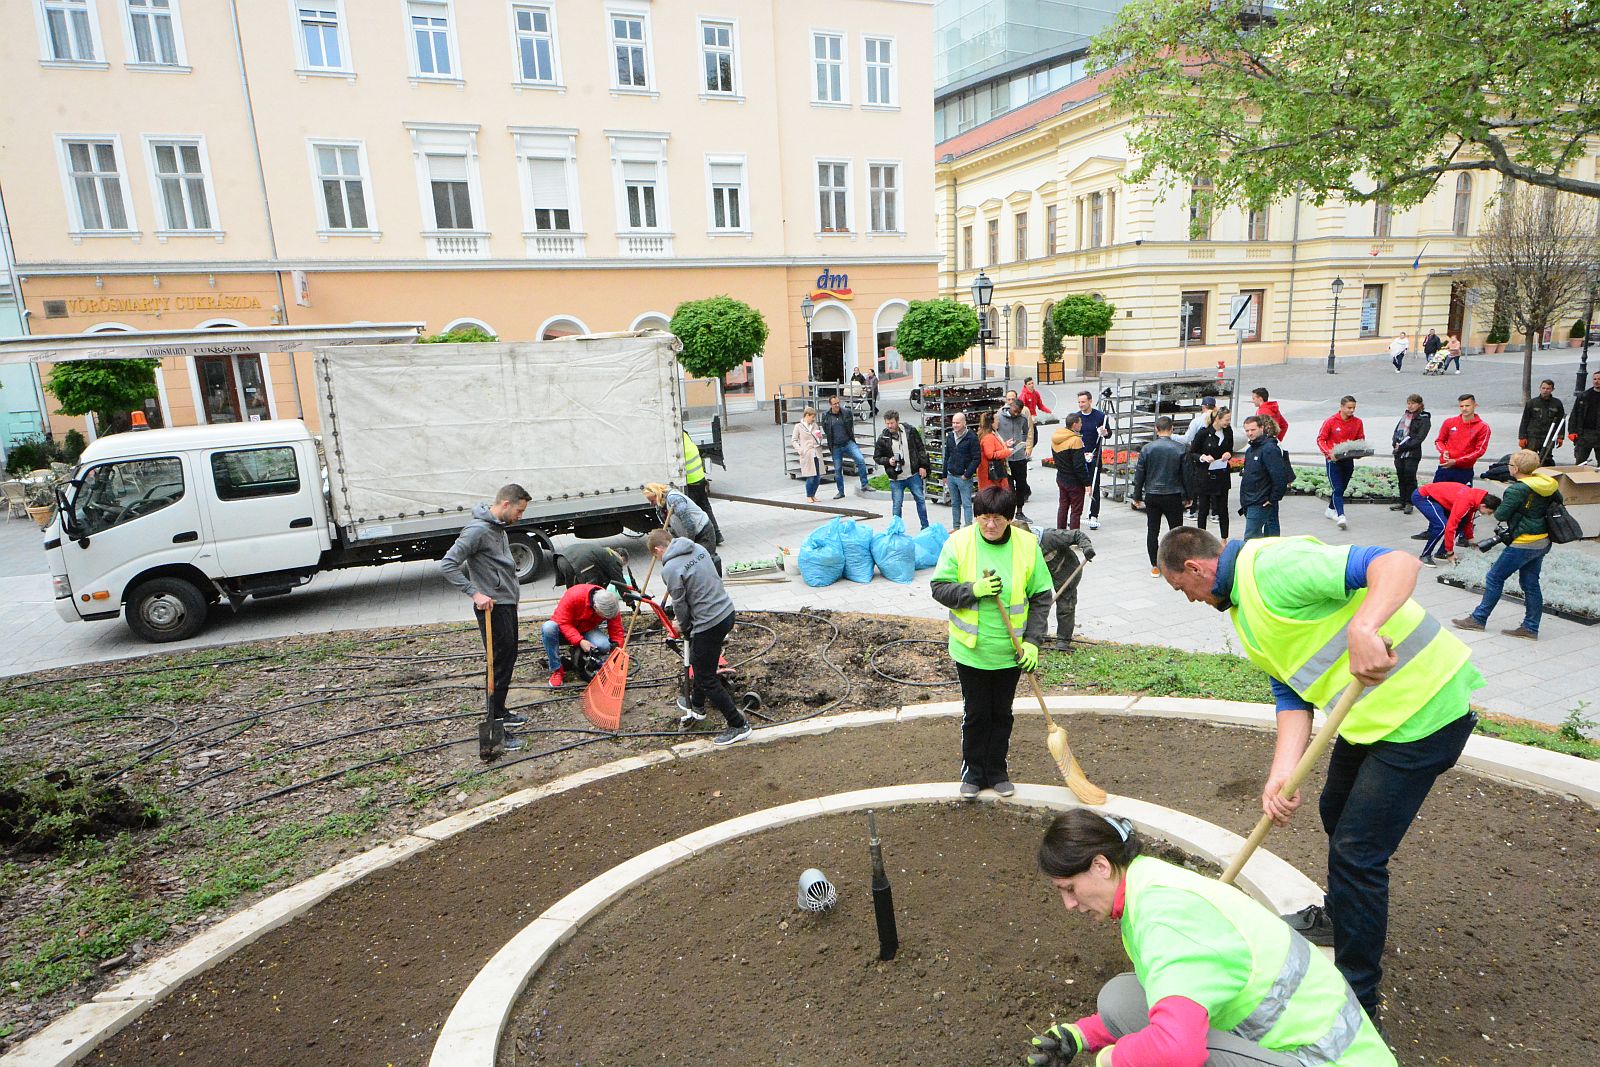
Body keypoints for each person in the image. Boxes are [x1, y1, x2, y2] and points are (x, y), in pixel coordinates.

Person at [1156, 525, 1483, 1026]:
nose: (1191, 600)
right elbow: (1292, 693)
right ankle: (1342, 914)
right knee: (1335, 811)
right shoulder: (1244, 610)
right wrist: (1281, 774)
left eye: (1183, 589)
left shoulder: (1273, 567)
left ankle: (1358, 996)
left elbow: (1398, 564)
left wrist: (1365, 626)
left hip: (1425, 713)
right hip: (1370, 721)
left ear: (1197, 568)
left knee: (1358, 851)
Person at [1026, 810, 1396, 1067]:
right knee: (1120, 999)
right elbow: (1174, 993)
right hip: (1289, 1042)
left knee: (1169, 1053)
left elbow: (1177, 1053)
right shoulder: (1147, 882)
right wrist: (1082, 1035)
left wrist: (1111, 1059)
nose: (1069, 904)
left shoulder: (1165, 922)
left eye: (1070, 888)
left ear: (1101, 866)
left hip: (1325, 1058)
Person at [929, 486, 1050, 798]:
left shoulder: (1026, 545)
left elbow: (1041, 597)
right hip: (971, 651)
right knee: (977, 712)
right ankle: (973, 770)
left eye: (997, 519)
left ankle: (997, 770)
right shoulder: (959, 542)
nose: (990, 525)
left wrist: (1033, 642)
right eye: (983, 518)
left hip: (1011, 652)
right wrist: (974, 589)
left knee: (1002, 713)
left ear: (1010, 519)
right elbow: (940, 588)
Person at [439, 484, 533, 748]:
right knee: (498, 666)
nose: (521, 516)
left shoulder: (497, 527)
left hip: (505, 604)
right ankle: (496, 728)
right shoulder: (477, 531)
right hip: (491, 608)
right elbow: (448, 564)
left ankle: (501, 711)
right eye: (519, 510)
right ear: (505, 504)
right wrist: (475, 593)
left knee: (508, 658)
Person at [648, 527, 750, 745]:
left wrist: (682, 627)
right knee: (700, 661)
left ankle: (738, 725)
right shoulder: (697, 548)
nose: (658, 560)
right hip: (726, 611)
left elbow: (680, 604)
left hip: (708, 623)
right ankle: (697, 705)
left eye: (655, 556)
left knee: (704, 676)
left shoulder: (670, 568)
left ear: (658, 549)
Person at [1452, 449, 1562, 641]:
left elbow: (1501, 514)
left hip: (1524, 542)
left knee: (1495, 577)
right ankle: (1530, 627)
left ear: (1516, 468)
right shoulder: (1547, 483)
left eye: (1510, 464)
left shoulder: (1517, 489)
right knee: (1530, 583)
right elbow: (1558, 502)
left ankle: (1478, 619)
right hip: (1543, 539)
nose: (1509, 467)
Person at [1130, 416, 1190, 576]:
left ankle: (1155, 565)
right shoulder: (1180, 448)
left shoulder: (1147, 449)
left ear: (1156, 429)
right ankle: (1176, 564)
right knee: (1176, 531)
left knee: (1152, 530)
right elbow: (1186, 475)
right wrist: (1189, 496)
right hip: (1173, 494)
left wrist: (1136, 495)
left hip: (1153, 494)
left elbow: (1139, 474)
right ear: (1172, 429)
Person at [541, 583, 624, 688]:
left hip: (586, 630)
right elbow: (562, 622)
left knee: (605, 645)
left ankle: (579, 653)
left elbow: (616, 630)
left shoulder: (610, 604)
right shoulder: (574, 596)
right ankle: (557, 670)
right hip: (563, 630)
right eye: (603, 616)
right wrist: (580, 641)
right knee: (548, 628)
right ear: (595, 607)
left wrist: (616, 656)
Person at [1411, 481, 1495, 567]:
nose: (1488, 515)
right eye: (1489, 512)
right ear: (1484, 506)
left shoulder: (1476, 499)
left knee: (1462, 521)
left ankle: (1441, 553)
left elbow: (1468, 520)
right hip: (1423, 497)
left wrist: (1471, 539)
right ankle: (1425, 555)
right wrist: (1450, 552)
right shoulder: (1466, 501)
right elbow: (1450, 527)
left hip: (1438, 499)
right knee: (1441, 526)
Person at [643, 482, 719, 573]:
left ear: (657, 495)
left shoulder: (674, 499)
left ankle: (715, 582)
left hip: (703, 532)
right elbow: (671, 529)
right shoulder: (660, 507)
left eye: (652, 500)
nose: (651, 504)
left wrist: (687, 544)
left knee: (707, 560)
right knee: (694, 565)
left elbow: (688, 524)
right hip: (688, 535)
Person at [873, 409, 930, 529]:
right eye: (887, 423)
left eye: (892, 423)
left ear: (897, 421)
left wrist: (923, 466)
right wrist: (888, 461)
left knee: (920, 500)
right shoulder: (883, 437)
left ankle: (925, 527)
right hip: (896, 478)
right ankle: (897, 530)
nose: (889, 426)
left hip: (913, 474)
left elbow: (920, 449)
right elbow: (877, 457)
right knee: (897, 505)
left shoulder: (910, 431)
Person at [1237, 414, 1292, 539]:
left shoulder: (1269, 449)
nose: (1250, 433)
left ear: (1261, 428)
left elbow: (1279, 477)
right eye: (1247, 430)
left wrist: (1272, 499)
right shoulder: (1251, 450)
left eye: (1253, 430)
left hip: (1260, 501)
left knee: (1250, 537)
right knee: (1257, 536)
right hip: (1249, 500)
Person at [1316, 395, 1366, 530]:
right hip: (1333, 461)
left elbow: (1360, 439)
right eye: (1349, 408)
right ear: (1342, 407)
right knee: (1337, 488)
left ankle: (1330, 509)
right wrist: (1328, 453)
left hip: (1348, 461)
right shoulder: (1330, 421)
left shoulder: (1358, 422)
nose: (1351, 411)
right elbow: (1321, 439)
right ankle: (1341, 515)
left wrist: (1360, 451)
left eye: (1353, 408)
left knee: (1342, 488)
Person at [1039, 526, 1094, 649]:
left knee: (1065, 605)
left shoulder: (1049, 536)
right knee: (1037, 603)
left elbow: (1077, 535)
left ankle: (1063, 640)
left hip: (1066, 570)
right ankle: (1038, 635)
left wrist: (1087, 548)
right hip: (1041, 573)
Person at [1190, 406, 1234, 537]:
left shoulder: (1228, 431)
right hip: (1205, 475)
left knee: (1223, 509)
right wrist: (1203, 457)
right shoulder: (1203, 433)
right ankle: (1201, 537)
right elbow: (1192, 452)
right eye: (1226, 420)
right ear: (1217, 419)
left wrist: (1228, 454)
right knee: (1203, 509)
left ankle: (1224, 538)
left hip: (1221, 473)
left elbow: (1230, 449)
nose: (1228, 423)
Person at [820, 393, 872, 499]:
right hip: (835, 446)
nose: (837, 405)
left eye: (838, 403)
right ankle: (841, 491)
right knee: (838, 469)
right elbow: (826, 430)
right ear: (830, 405)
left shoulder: (846, 413)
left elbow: (850, 425)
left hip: (848, 442)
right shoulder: (826, 416)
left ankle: (864, 484)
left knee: (860, 460)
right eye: (834, 404)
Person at [1433, 394, 1490, 486]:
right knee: (1436, 496)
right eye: (1461, 406)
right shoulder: (1449, 422)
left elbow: (1479, 450)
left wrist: (1457, 461)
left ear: (1475, 405)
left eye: (1467, 405)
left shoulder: (1483, 427)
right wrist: (1444, 451)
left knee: (1462, 499)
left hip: (1464, 469)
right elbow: (1439, 441)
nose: (1464, 408)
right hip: (1445, 467)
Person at [1388, 394, 1430, 516]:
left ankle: (1409, 502)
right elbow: (1397, 431)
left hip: (1412, 453)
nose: (1410, 406)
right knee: (1401, 476)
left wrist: (1403, 446)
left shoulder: (1423, 418)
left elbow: (1419, 438)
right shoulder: (1405, 416)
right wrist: (1395, 443)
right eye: (1408, 403)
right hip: (1399, 452)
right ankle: (1402, 501)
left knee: (1409, 477)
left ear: (1419, 404)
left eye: (1413, 403)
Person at [680, 430, 723, 546]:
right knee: (705, 507)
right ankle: (717, 535)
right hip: (699, 477)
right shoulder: (685, 435)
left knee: (690, 512)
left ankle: (695, 539)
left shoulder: (676, 439)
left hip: (690, 481)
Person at [998, 393, 1035, 523]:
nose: (1016, 414)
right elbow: (994, 432)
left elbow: (1027, 431)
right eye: (1014, 411)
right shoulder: (999, 417)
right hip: (1006, 458)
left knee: (1021, 485)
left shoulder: (1022, 418)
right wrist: (1001, 445)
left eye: (1018, 412)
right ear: (1010, 406)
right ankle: (1009, 513)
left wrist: (1023, 444)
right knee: (1009, 488)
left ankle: (1019, 511)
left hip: (1019, 457)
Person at [1051, 412, 1090, 530]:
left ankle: (1060, 532)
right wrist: (1087, 483)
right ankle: (1074, 536)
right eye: (1080, 423)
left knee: (1063, 506)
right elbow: (1079, 466)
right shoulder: (1075, 441)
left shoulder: (1056, 437)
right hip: (1074, 481)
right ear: (1074, 425)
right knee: (1076, 511)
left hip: (1061, 477)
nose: (1081, 425)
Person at [1075, 390, 1109, 530]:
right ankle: (1076, 514)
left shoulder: (1099, 416)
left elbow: (1108, 433)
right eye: (1079, 402)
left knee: (1094, 485)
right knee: (1077, 486)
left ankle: (1093, 514)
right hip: (1079, 455)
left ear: (1090, 401)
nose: (1081, 405)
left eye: (1083, 402)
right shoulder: (1076, 417)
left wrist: (1104, 432)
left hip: (1094, 455)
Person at [1518, 378, 1566, 465]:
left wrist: (1560, 437)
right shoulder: (1532, 403)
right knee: (1529, 458)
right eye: (1543, 388)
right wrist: (1522, 437)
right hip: (1533, 436)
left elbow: (1561, 421)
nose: (1545, 391)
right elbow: (1525, 420)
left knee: (1546, 458)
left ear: (1552, 390)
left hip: (1548, 435)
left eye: (1548, 389)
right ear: (1540, 388)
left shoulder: (1557, 403)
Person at [943, 411, 979, 529]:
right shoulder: (950, 437)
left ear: (964, 423)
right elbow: (947, 456)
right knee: (954, 504)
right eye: (953, 423)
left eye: (957, 423)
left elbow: (976, 458)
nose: (955, 425)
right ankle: (956, 528)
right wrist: (945, 474)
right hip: (951, 475)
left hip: (963, 477)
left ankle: (968, 527)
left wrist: (967, 474)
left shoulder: (972, 437)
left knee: (967, 504)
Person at [556, 542, 628, 591]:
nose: (620, 567)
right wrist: (630, 602)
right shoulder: (614, 558)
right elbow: (620, 582)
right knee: (586, 591)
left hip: (561, 559)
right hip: (572, 563)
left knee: (572, 591)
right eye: (622, 564)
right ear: (621, 556)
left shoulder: (604, 553)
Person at [791, 406, 825, 503]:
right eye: (812, 417)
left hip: (816, 453)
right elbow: (794, 440)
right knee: (810, 476)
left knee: (818, 477)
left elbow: (819, 438)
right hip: (807, 454)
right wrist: (800, 450)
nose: (813, 419)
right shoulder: (798, 426)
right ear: (807, 415)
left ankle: (813, 494)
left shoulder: (815, 426)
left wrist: (819, 436)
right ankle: (809, 495)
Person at [976, 410, 1013, 492]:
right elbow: (990, 454)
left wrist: (1005, 445)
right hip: (991, 476)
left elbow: (994, 448)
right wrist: (1007, 452)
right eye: (997, 420)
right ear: (991, 423)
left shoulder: (991, 434)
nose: (999, 422)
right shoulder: (988, 437)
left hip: (991, 474)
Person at [1573, 369, 1600, 463]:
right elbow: (1574, 414)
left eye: (1599, 379)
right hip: (1584, 434)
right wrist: (1572, 431)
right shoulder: (1584, 396)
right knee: (1580, 462)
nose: (1596, 381)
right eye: (1595, 379)